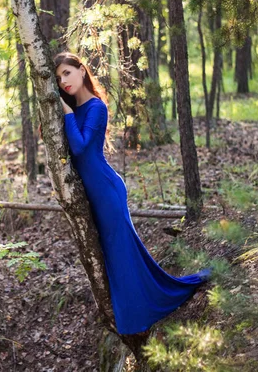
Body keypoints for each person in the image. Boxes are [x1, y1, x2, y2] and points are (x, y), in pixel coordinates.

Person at [54, 52, 210, 335]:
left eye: (67, 73)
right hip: (94, 195)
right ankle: (147, 302)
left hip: (107, 192)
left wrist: (65, 113)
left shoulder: (95, 107)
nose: (63, 81)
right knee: (121, 254)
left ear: (81, 70)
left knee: (120, 255)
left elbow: (80, 148)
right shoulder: (73, 112)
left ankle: (139, 316)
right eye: (58, 78)